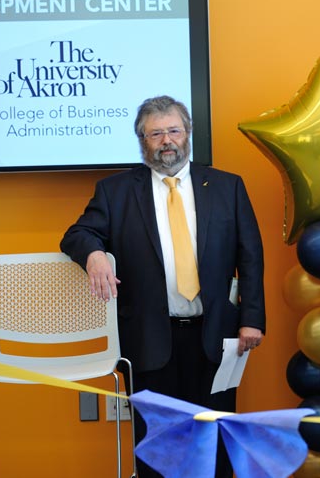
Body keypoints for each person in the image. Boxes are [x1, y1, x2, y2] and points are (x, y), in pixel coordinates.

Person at [61, 95, 265, 478]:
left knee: (216, 441)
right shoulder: (116, 191)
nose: (166, 140)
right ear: (143, 141)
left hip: (216, 337)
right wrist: (93, 254)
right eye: (155, 133)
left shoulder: (227, 187)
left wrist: (252, 319)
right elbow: (78, 233)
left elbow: (250, 256)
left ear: (188, 134)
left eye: (173, 130)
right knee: (157, 447)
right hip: (149, 339)